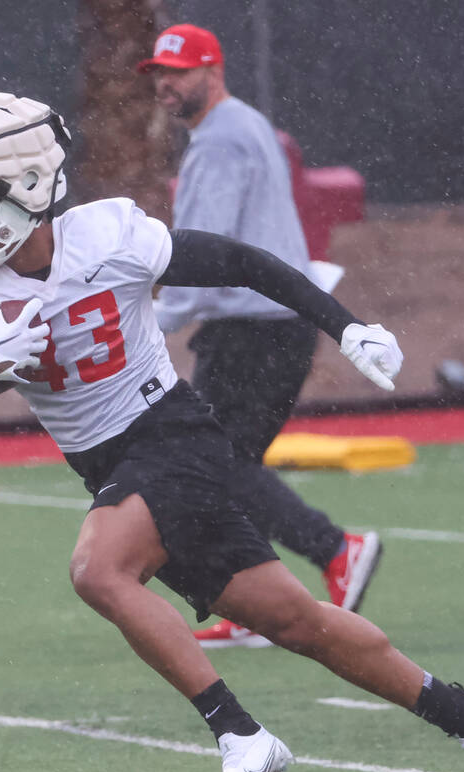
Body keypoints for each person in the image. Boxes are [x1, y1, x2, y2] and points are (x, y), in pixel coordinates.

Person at [0, 91, 464, 772]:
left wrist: (347, 324)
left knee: (97, 568)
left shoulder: (108, 237)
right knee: (301, 622)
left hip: (172, 435)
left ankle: (238, 731)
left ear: (19, 194)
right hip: (115, 469)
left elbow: (240, 262)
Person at [137, 24, 379, 649]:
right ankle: (256, 605)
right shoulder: (242, 126)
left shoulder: (221, 141)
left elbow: (202, 253)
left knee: (216, 465)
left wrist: (151, 318)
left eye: (179, 71)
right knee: (224, 464)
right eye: (159, 72)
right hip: (267, 324)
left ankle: (337, 549)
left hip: (254, 329)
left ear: (213, 71)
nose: (165, 84)